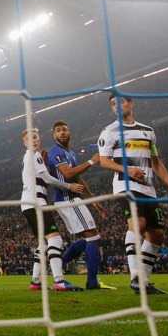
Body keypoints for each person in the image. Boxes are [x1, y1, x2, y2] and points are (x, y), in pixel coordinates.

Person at [98, 93, 168, 295]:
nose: (116, 106)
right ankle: (135, 277)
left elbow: (155, 162)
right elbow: (104, 161)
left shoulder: (147, 131)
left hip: (148, 188)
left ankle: (143, 281)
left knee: (157, 235)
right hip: (125, 186)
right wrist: (128, 170)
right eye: (112, 104)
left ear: (130, 103)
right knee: (139, 224)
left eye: (120, 102)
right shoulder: (109, 132)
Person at [46, 120, 114, 291]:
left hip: (73, 200)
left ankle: (57, 265)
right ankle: (92, 282)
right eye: (58, 131)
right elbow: (68, 175)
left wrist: (94, 202)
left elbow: (79, 179)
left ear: (69, 134)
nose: (62, 132)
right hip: (67, 199)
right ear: (54, 135)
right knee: (93, 236)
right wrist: (91, 162)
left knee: (86, 239)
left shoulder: (71, 154)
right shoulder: (56, 152)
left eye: (65, 130)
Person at [20, 127, 85, 291]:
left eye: (36, 137)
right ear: (25, 142)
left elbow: (41, 177)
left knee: (44, 243)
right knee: (55, 240)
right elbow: (48, 179)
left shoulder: (30, 157)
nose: (35, 140)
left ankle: (36, 282)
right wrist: (69, 186)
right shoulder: (33, 155)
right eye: (31, 138)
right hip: (36, 203)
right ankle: (59, 280)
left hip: (28, 204)